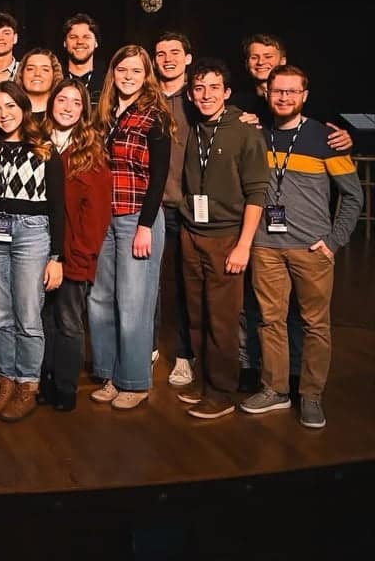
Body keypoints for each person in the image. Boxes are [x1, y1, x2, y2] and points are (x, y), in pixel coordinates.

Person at [244, 65, 362, 428]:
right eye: (278, 91)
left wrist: (333, 241)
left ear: (304, 96)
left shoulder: (325, 138)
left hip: (312, 250)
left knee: (315, 325)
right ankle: (275, 389)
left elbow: (353, 197)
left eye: (292, 92)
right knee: (270, 322)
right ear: (267, 92)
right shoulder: (256, 135)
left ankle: (311, 395)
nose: (284, 98)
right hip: (266, 247)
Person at [0, 82, 65, 422]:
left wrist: (56, 257)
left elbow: (57, 207)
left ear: (23, 108)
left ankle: (28, 385)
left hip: (32, 234)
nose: (4, 114)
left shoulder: (45, 150)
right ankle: (4, 381)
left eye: (10, 106)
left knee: (27, 314)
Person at [177, 58, 269, 420]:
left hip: (227, 237)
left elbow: (257, 192)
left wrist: (243, 245)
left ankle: (221, 393)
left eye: (214, 87)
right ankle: (205, 384)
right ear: (190, 93)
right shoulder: (193, 128)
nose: (206, 95)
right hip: (192, 233)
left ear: (227, 93)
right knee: (197, 315)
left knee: (222, 320)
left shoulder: (246, 131)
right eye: (199, 88)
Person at [88, 45, 171, 410]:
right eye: (122, 69)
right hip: (103, 219)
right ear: (113, 72)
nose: (128, 76)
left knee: (134, 303)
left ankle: (135, 381)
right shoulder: (103, 114)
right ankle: (108, 373)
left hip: (138, 217)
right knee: (100, 300)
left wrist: (146, 226)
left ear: (146, 75)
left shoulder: (155, 117)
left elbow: (159, 178)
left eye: (136, 71)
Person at [37, 79, 112, 412]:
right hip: (36, 250)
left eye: (75, 103)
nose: (67, 107)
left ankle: (65, 387)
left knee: (67, 320)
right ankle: (44, 378)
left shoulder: (90, 152)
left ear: (84, 111)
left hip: (72, 255)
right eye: (62, 100)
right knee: (41, 318)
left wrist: (75, 258)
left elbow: (94, 216)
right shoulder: (36, 142)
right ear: (51, 103)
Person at [154, 32, 197, 386]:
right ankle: (147, 346)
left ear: (188, 58)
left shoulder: (198, 98)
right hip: (151, 206)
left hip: (188, 207)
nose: (167, 58)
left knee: (186, 286)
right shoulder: (146, 96)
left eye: (174, 52)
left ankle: (184, 354)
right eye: (161, 53)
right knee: (147, 283)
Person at [61, 13, 104, 104]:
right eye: (73, 37)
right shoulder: (55, 79)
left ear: (96, 43)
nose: (80, 41)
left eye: (86, 37)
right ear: (65, 43)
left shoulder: (107, 81)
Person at [15, 48, 62, 114]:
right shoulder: (10, 113)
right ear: (21, 74)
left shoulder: (63, 114)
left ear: (54, 75)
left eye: (45, 69)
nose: (37, 74)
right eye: (30, 69)